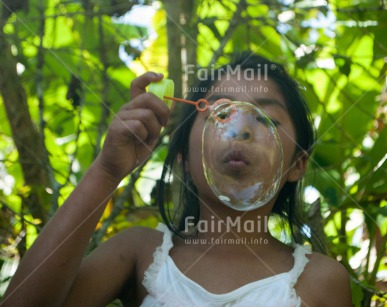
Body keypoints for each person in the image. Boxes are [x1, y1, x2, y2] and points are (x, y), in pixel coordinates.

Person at [2, 53, 352, 306]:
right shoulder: (140, 253)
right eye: (220, 112)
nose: (240, 129)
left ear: (297, 164)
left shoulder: (322, 281)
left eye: (266, 120)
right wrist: (107, 172)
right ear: (184, 157)